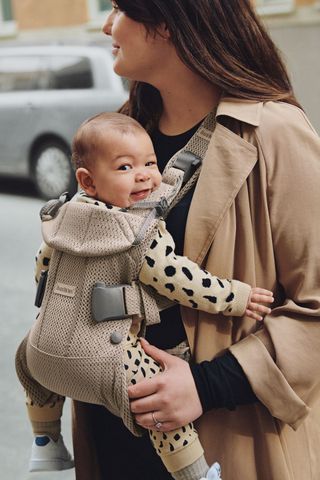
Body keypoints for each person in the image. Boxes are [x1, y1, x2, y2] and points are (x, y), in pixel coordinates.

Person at [70, 1, 320, 480]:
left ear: (168, 22)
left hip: (221, 439)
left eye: (121, 9)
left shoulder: (276, 134)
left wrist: (206, 386)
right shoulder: (123, 132)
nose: (106, 24)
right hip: (113, 434)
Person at [16, 111, 273, 479]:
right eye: (124, 168)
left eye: (150, 163)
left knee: (26, 361)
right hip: (104, 360)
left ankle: (46, 442)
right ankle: (196, 474)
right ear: (87, 181)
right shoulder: (140, 231)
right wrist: (234, 296)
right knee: (155, 401)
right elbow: (181, 280)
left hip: (42, 354)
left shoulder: (63, 220)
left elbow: (42, 269)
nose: (144, 175)